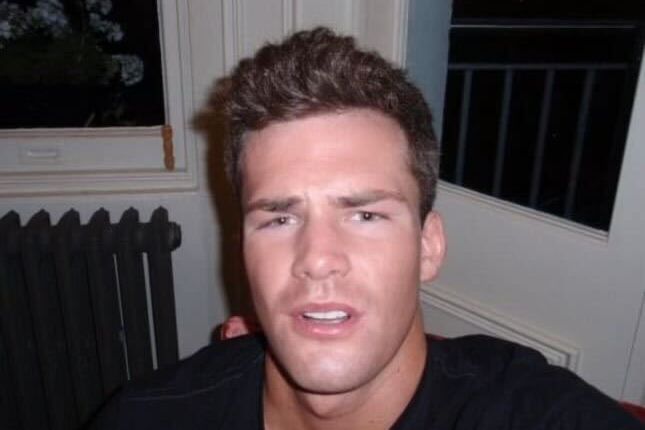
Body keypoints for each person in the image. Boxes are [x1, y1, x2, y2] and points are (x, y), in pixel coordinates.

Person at [92, 27, 643, 429]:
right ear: (242, 252)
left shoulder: (533, 413)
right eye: (280, 218)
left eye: (365, 215)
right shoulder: (146, 417)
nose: (317, 257)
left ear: (428, 247)